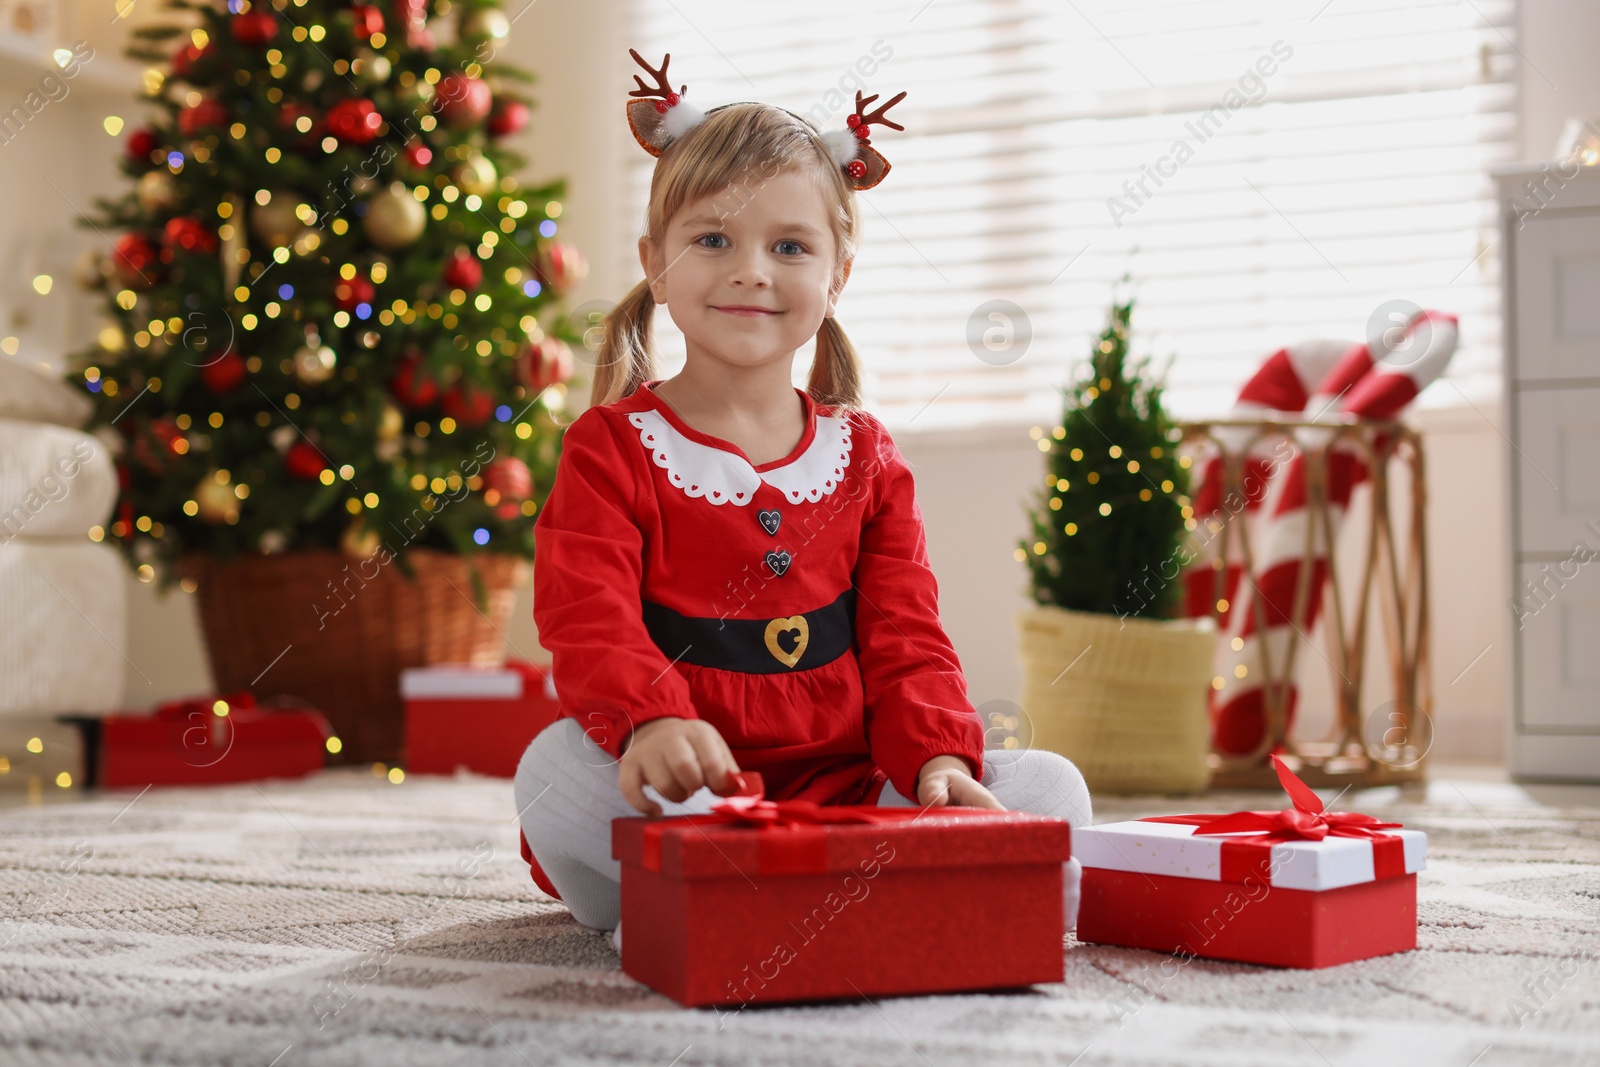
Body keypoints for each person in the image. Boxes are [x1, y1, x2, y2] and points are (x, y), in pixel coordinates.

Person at [514, 50, 1092, 951]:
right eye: (713, 240)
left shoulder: (866, 459)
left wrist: (938, 757)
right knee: (551, 771)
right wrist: (652, 721)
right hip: (691, 787)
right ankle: (761, 888)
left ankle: (784, 891)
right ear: (656, 266)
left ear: (838, 275)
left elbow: (908, 638)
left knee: (1054, 788)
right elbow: (588, 619)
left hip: (854, 787)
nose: (751, 271)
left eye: (789, 246)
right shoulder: (611, 448)